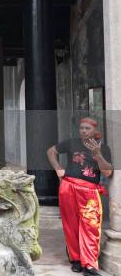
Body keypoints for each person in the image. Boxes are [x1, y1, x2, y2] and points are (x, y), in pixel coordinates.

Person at [47, 117, 113, 276]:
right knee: (71, 224)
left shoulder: (104, 148)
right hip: (68, 187)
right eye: (82, 128)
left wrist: (98, 156)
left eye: (87, 128)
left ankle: (89, 264)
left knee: (90, 226)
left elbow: (108, 172)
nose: (84, 131)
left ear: (96, 131)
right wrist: (57, 168)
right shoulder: (71, 142)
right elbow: (51, 151)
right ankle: (76, 259)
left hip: (89, 192)